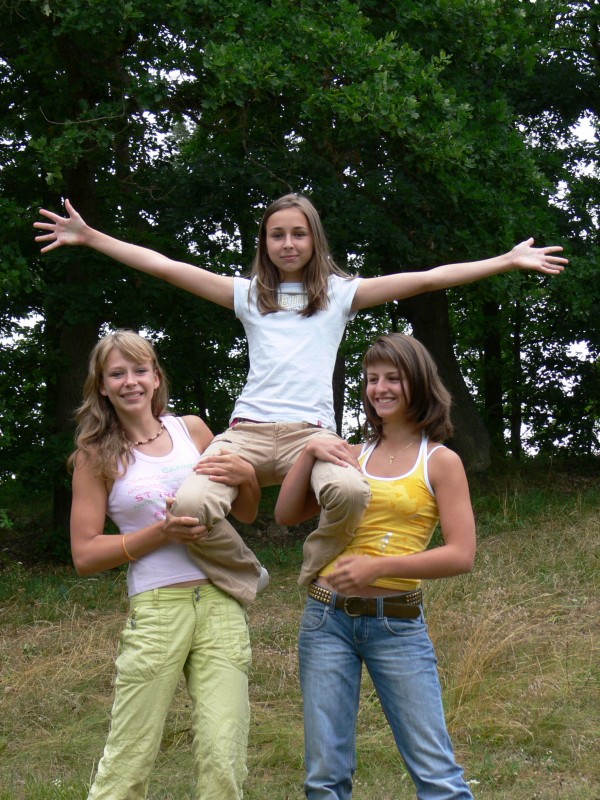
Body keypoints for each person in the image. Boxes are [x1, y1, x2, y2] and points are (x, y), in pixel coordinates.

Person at [35, 195, 566, 588]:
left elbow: (427, 278)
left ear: (314, 241)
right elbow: (167, 267)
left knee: (352, 492)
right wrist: (92, 237)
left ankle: (315, 570)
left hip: (310, 437)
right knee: (190, 504)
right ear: (264, 244)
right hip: (246, 434)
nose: (287, 244)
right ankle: (248, 572)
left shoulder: (340, 295)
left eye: (298, 234)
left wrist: (505, 260)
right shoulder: (248, 296)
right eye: (276, 235)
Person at [274, 332, 478, 800]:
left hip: (397, 624)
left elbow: (461, 554)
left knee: (437, 775)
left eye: (393, 378)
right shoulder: (350, 455)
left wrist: (377, 567)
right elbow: (286, 515)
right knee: (324, 778)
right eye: (371, 379)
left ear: (418, 382)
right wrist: (308, 452)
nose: (380, 388)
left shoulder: (440, 461)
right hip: (326, 620)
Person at [69, 329, 261, 800]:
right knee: (129, 755)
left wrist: (249, 477)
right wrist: (161, 533)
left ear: (156, 377)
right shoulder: (94, 456)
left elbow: (245, 511)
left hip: (220, 598)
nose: (130, 381)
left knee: (223, 753)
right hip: (158, 607)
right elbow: (85, 554)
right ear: (102, 386)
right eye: (117, 374)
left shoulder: (192, 431)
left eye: (140, 370)